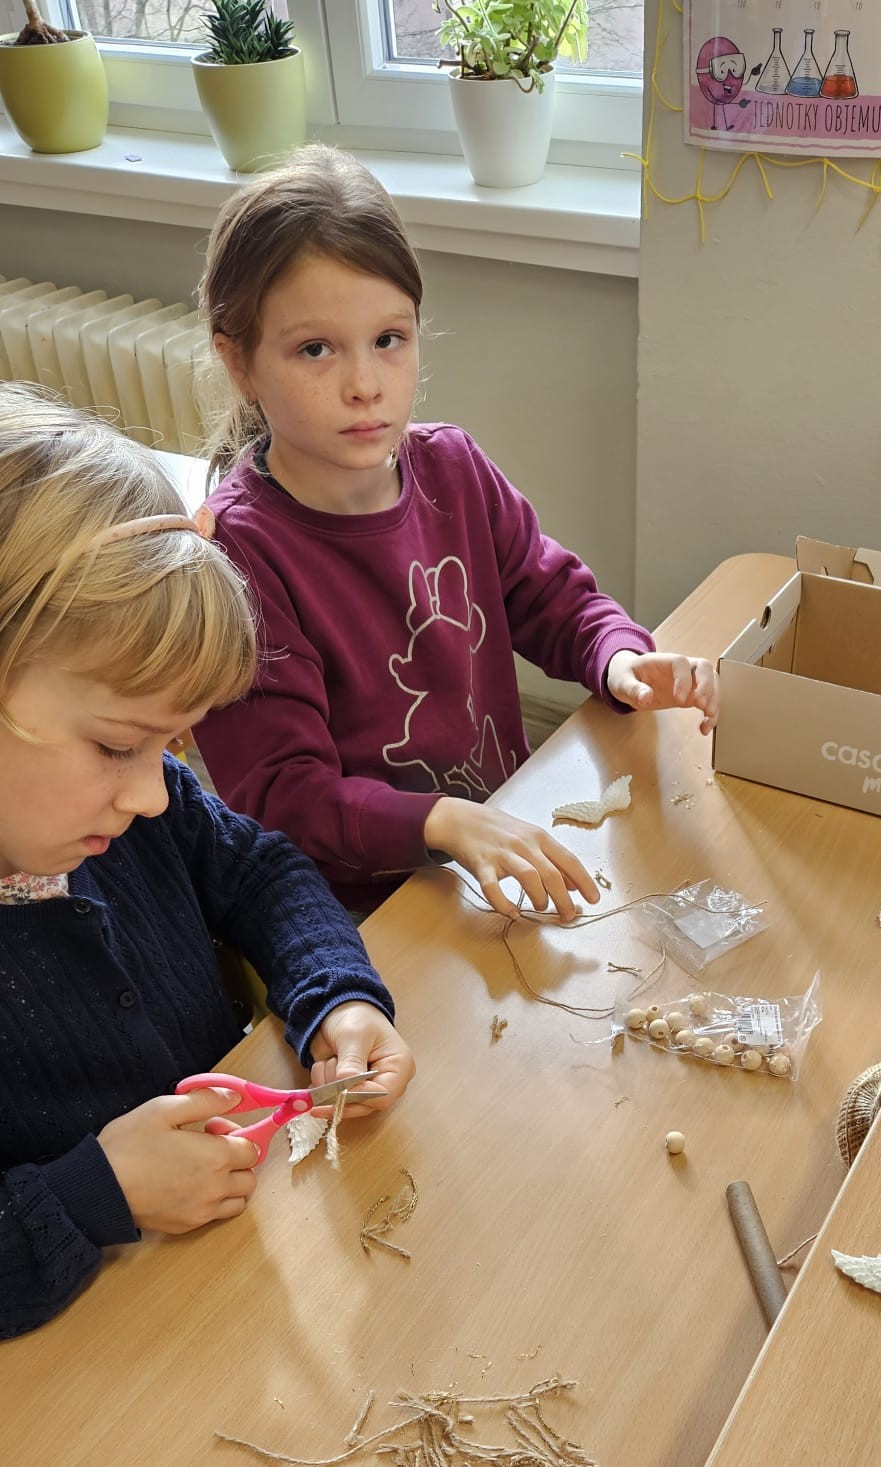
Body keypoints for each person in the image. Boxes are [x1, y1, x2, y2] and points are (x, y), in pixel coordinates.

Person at [193, 145, 718, 922]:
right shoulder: (239, 558)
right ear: (238, 363)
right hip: (367, 907)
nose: (365, 384)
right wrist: (441, 822)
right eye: (315, 349)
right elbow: (285, 795)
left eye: (389, 339)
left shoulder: (454, 467)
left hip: (498, 842)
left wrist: (620, 659)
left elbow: (552, 598)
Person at [0, 384, 415, 1340]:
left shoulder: (136, 815)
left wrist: (335, 994)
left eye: (172, 747)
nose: (154, 794)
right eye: (117, 746)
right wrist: (92, 1195)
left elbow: (263, 872)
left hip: (237, 1292)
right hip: (95, 1367)